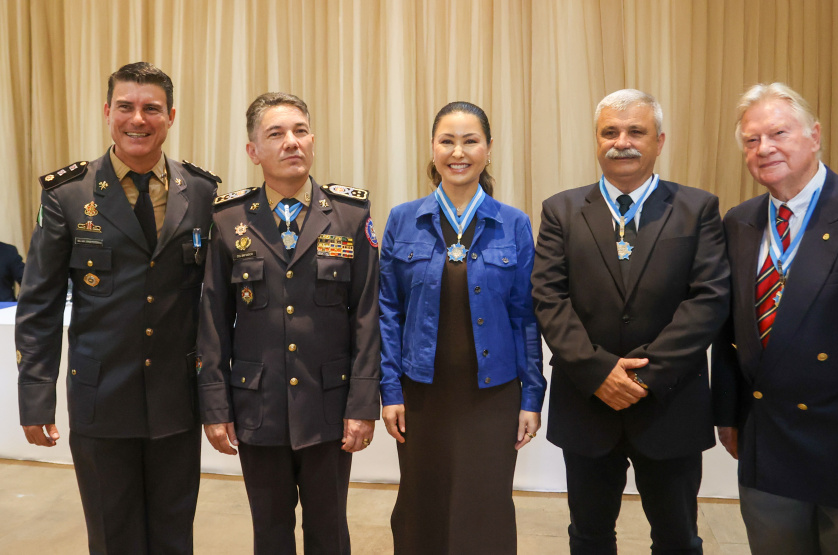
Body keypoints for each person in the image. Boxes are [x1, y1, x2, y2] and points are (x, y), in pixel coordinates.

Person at [15, 61, 219, 554]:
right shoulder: (68, 195)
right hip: (100, 399)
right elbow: (39, 304)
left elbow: (212, 304)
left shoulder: (203, 192)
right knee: (113, 535)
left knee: (174, 534)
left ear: (170, 116)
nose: (138, 119)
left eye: (151, 108)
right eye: (125, 107)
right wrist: (35, 396)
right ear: (108, 113)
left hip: (175, 397)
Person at [712, 82, 838, 554]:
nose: (765, 149)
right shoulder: (739, 223)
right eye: (751, 140)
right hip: (767, 446)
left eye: (779, 133)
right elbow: (730, 333)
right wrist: (727, 415)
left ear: (815, 135)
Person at [532, 89, 730, 554]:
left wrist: (644, 375)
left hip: (669, 404)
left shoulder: (697, 209)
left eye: (636, 131)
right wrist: (600, 372)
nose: (623, 142)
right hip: (587, 403)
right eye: (611, 132)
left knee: (678, 538)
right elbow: (548, 298)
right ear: (597, 141)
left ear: (659, 141)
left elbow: (708, 299)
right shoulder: (560, 211)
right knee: (589, 535)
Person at [197, 92, 380, 554]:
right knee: (270, 534)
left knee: (330, 533)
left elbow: (366, 314)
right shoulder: (228, 219)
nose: (291, 142)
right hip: (257, 406)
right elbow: (213, 320)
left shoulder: (349, 214)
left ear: (313, 140)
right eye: (275, 134)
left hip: (329, 405)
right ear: (253, 150)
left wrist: (362, 403)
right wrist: (216, 407)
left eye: (300, 131)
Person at [379, 101, 545, 553]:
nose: (459, 151)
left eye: (470, 141)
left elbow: (525, 317)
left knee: (484, 508)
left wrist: (532, 396)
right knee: (420, 506)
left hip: (493, 394)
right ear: (432, 149)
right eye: (447, 141)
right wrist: (390, 390)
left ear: (488, 150)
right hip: (422, 392)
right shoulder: (401, 219)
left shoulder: (513, 223)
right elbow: (387, 311)